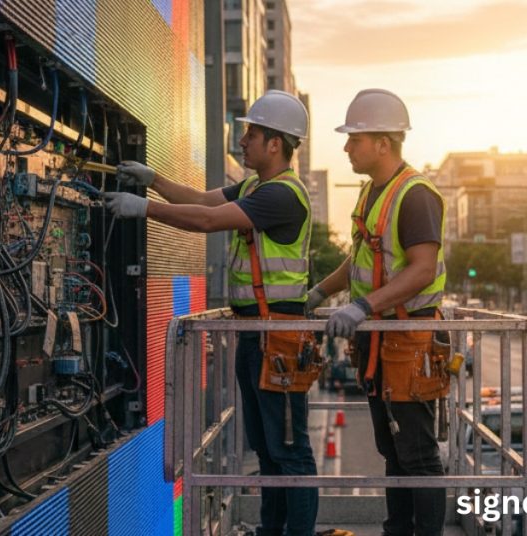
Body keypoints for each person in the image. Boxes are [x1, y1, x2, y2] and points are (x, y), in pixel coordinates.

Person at [105, 90, 350, 536]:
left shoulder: (282, 196)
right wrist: (153, 179)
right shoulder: (256, 186)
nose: (243, 142)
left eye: (251, 134)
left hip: (279, 337)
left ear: (275, 143)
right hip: (257, 335)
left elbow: (206, 222)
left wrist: (144, 209)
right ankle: (271, 531)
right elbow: (202, 200)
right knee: (268, 446)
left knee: (290, 449)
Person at [307, 89, 448, 536]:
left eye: (355, 139)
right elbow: (363, 259)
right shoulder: (372, 193)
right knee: (392, 448)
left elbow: (423, 269)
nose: (347, 147)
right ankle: (397, 530)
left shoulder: (415, 195)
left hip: (409, 338)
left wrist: (364, 306)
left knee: (418, 455)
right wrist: (319, 293)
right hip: (381, 337)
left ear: (383, 143)